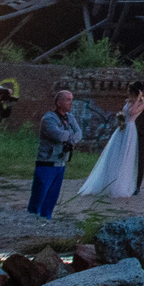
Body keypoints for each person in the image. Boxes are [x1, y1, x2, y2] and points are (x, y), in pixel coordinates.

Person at [28, 87, 83, 218]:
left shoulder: (70, 117)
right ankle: (32, 218)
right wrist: (71, 135)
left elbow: (79, 134)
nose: (71, 103)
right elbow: (58, 135)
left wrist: (69, 136)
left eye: (71, 100)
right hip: (47, 162)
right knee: (40, 194)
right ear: (59, 102)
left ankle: (46, 219)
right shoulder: (48, 119)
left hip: (61, 163)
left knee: (52, 196)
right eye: (68, 100)